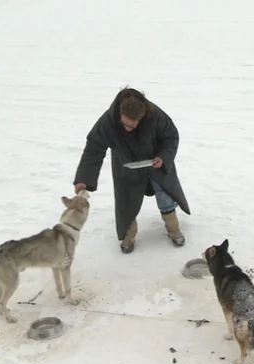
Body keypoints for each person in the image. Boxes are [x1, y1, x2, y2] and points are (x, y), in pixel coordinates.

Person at [73, 87, 191, 253]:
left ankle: (174, 229)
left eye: (133, 125)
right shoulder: (108, 121)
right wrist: (83, 178)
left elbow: (170, 136)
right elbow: (94, 149)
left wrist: (163, 157)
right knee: (126, 202)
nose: (128, 128)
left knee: (165, 195)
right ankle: (128, 236)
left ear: (142, 118)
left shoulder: (155, 115)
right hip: (126, 167)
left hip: (155, 164)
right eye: (125, 124)